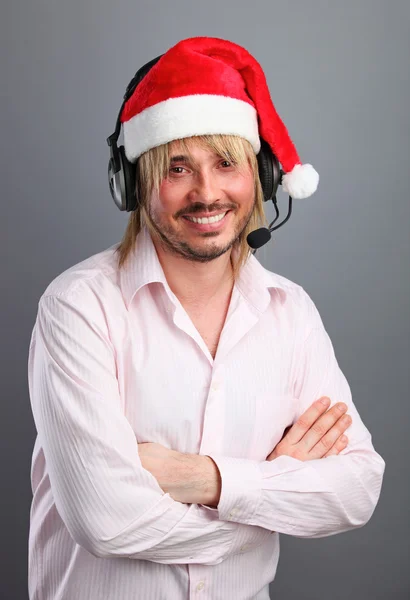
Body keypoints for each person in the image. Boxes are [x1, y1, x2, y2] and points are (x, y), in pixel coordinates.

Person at [27, 37, 385, 600]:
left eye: (226, 163)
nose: (207, 193)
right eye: (177, 168)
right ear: (133, 183)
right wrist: (269, 496)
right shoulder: (78, 307)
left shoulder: (291, 314)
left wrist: (202, 478)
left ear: (261, 176)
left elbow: (357, 489)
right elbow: (106, 520)